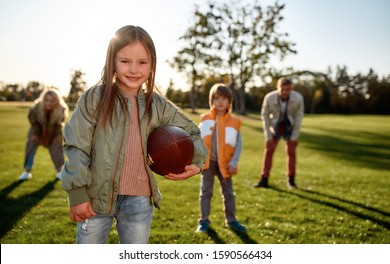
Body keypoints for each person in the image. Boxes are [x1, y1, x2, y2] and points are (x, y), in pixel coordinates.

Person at [61, 25, 208, 244]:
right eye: (125, 61)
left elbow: (193, 133)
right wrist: (77, 193)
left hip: (139, 200)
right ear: (112, 61)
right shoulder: (94, 98)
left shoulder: (158, 105)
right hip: (95, 197)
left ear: (152, 65)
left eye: (142, 62)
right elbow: (76, 145)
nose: (133, 69)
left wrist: (197, 161)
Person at [196, 83, 246, 234]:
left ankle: (232, 220)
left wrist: (233, 162)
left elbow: (238, 145)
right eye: (217, 98)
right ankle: (204, 221)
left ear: (229, 101)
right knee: (206, 192)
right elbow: (196, 139)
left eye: (224, 98)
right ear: (212, 100)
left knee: (228, 193)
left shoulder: (234, 122)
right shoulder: (205, 120)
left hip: (225, 164)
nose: (220, 101)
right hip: (208, 164)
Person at [254, 77, 304, 189]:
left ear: (292, 89)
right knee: (269, 150)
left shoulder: (298, 98)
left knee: (291, 151)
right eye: (283, 89)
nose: (285, 92)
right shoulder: (269, 98)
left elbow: (299, 117)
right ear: (278, 88)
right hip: (275, 126)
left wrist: (294, 136)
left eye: (288, 89)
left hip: (289, 126)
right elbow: (265, 116)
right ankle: (264, 179)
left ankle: (291, 180)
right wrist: (268, 136)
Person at [18, 88, 69, 181]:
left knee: (57, 148)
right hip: (36, 131)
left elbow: (59, 124)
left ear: (56, 101)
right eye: (46, 100)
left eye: (52, 101)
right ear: (43, 99)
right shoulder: (35, 107)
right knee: (30, 147)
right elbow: (33, 121)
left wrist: (56, 135)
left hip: (53, 132)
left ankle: (60, 171)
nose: (48, 103)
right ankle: (27, 171)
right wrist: (36, 134)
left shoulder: (61, 109)